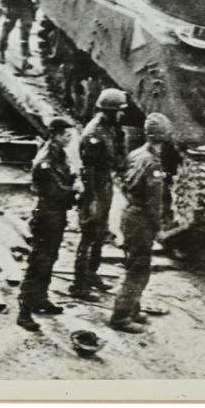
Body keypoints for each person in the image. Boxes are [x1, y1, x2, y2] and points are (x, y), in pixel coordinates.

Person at [110, 113, 175, 333]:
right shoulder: (153, 163)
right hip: (142, 220)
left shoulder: (136, 154)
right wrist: (158, 228)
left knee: (134, 264)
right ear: (164, 137)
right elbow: (153, 203)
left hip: (130, 214)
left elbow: (121, 179)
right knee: (138, 270)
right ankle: (120, 317)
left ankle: (132, 310)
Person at [17, 117, 81, 332]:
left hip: (57, 214)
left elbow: (69, 175)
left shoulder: (59, 153)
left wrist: (73, 181)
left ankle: (40, 299)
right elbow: (56, 191)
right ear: (55, 135)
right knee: (38, 262)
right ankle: (24, 311)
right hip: (47, 215)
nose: (69, 139)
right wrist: (75, 190)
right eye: (66, 135)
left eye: (71, 136)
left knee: (50, 259)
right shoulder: (45, 160)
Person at [70, 88, 128, 302]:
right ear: (109, 111)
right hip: (93, 187)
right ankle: (78, 285)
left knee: (100, 233)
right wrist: (92, 199)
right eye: (119, 111)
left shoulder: (112, 128)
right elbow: (89, 169)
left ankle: (91, 274)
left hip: (104, 184)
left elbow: (118, 157)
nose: (122, 114)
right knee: (88, 235)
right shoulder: (94, 133)